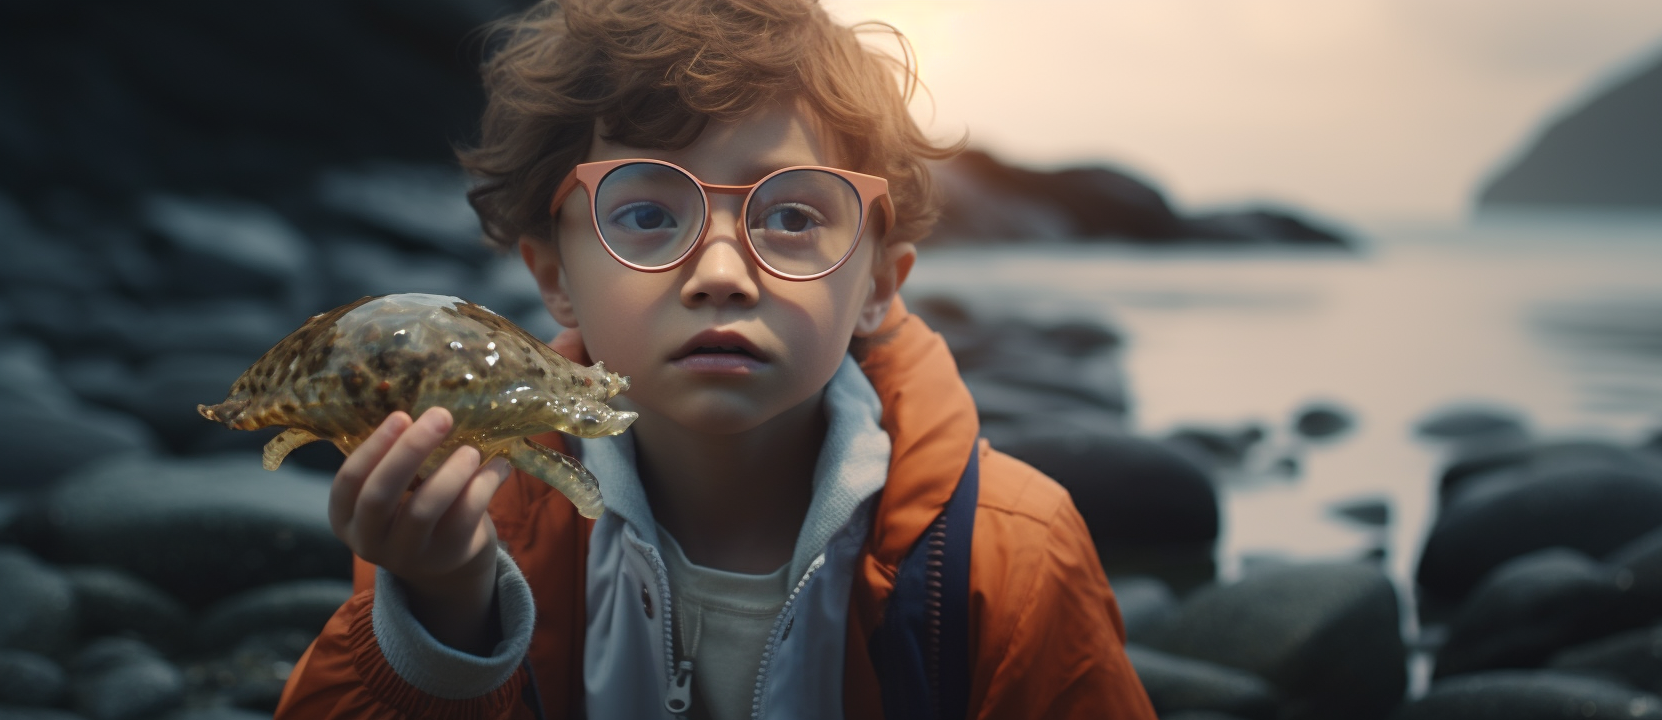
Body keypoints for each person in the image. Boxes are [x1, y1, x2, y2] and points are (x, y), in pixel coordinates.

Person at [275, 0, 1156, 717]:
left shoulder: (1009, 558)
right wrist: (443, 621)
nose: (723, 274)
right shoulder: (477, 526)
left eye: (794, 216)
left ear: (882, 282)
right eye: (649, 215)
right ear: (555, 277)